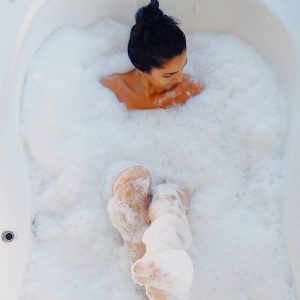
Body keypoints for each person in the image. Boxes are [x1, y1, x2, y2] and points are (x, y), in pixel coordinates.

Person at [100, 0, 203, 109]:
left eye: (183, 66)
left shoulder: (190, 90)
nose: (180, 79)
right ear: (142, 70)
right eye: (169, 75)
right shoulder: (112, 91)